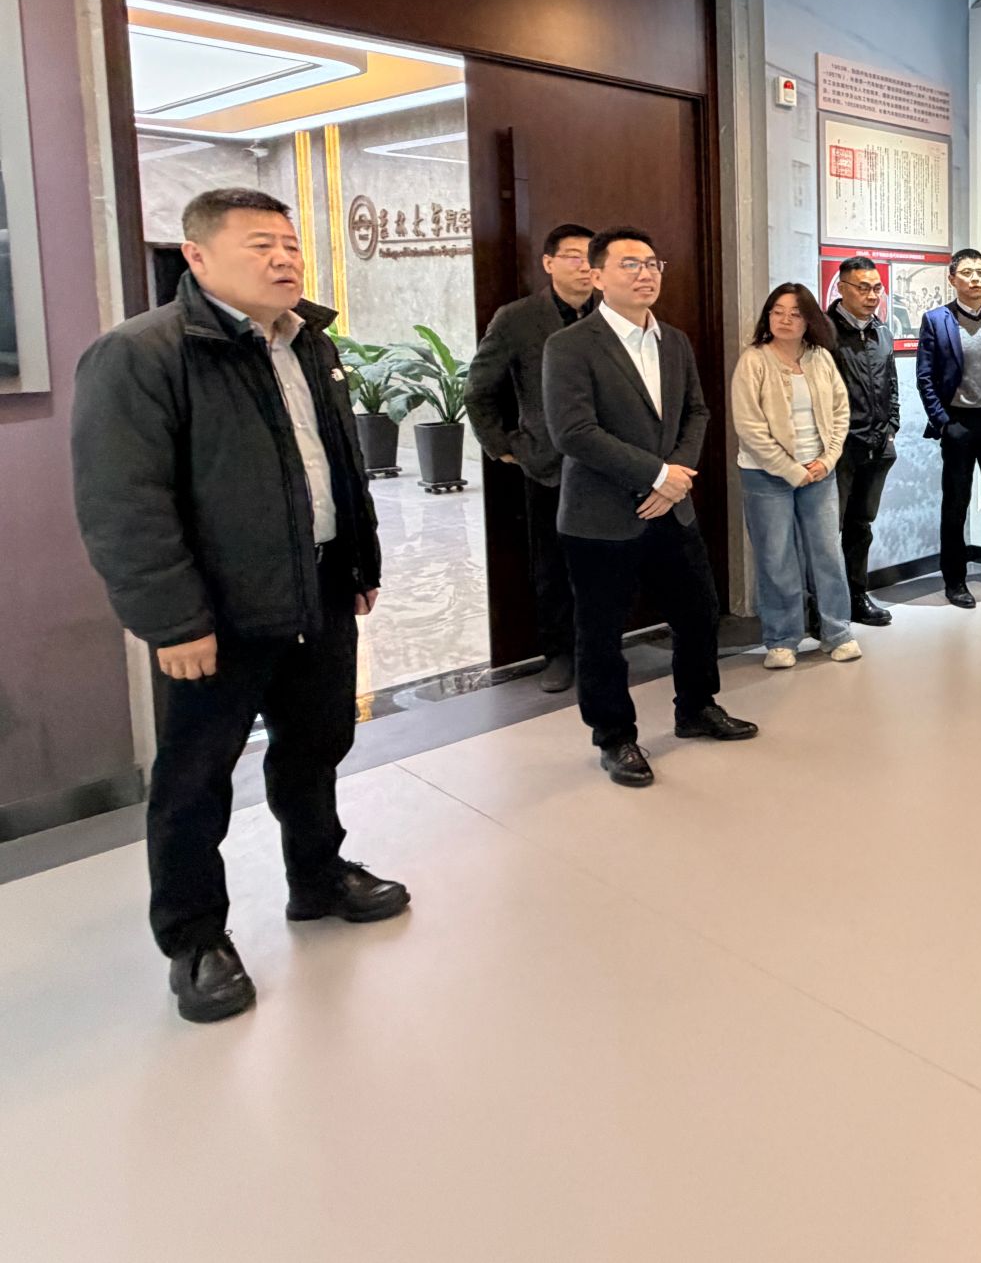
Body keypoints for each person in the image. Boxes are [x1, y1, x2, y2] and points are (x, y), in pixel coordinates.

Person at [70, 188, 407, 1025]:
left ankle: (318, 877)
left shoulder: (308, 342)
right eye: (261, 245)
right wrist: (174, 620)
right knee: (195, 777)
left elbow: (338, 464)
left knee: (316, 744)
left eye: (290, 243)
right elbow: (124, 505)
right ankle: (194, 938)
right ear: (197, 255)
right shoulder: (142, 354)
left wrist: (358, 561)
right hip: (216, 611)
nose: (284, 258)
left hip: (318, 587)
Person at [543, 226, 756, 788]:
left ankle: (697, 707)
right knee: (600, 633)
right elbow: (574, 432)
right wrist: (656, 475)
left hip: (672, 509)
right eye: (630, 264)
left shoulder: (674, 341)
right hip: (600, 518)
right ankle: (614, 736)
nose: (646, 274)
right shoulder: (570, 346)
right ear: (597, 276)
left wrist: (675, 479)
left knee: (698, 611)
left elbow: (697, 413)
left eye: (653, 263)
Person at [466, 221, 598, 692]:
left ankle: (600, 648)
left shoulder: (614, 314)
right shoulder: (518, 318)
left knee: (607, 562)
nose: (584, 266)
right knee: (553, 566)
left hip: (610, 463)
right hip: (548, 464)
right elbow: (479, 390)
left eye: (591, 257)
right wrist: (503, 447)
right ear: (548, 263)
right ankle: (559, 654)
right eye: (573, 256)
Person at [732, 283, 862, 670]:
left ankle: (837, 632)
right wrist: (790, 470)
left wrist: (827, 459)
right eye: (777, 311)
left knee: (827, 553)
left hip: (819, 472)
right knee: (776, 557)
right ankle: (782, 638)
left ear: (809, 320)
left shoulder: (820, 358)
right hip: (765, 475)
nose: (785, 319)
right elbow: (749, 426)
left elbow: (840, 412)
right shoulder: (753, 360)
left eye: (795, 313)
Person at [915, 248, 981, 609]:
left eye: (980, 272)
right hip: (959, 424)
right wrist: (945, 423)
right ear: (952, 279)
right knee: (956, 505)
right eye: (966, 272)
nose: (974, 278)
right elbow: (925, 378)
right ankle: (955, 580)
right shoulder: (936, 320)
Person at [827, 255, 899, 627]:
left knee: (860, 527)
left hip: (877, 446)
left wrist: (892, 426)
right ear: (842, 288)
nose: (871, 296)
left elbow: (891, 382)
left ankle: (857, 596)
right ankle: (823, 607)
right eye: (863, 288)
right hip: (839, 450)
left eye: (876, 288)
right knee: (827, 531)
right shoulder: (824, 333)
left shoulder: (881, 331)